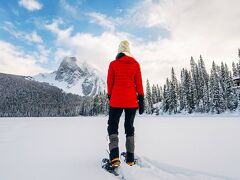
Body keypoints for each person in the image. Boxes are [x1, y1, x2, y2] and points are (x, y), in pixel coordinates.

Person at [107, 40, 144, 167]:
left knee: (113, 126)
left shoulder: (113, 64)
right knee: (129, 128)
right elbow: (139, 83)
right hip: (131, 102)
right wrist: (141, 99)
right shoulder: (135, 64)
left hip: (116, 100)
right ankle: (130, 158)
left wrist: (110, 96)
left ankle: (114, 157)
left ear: (119, 51)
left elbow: (109, 83)